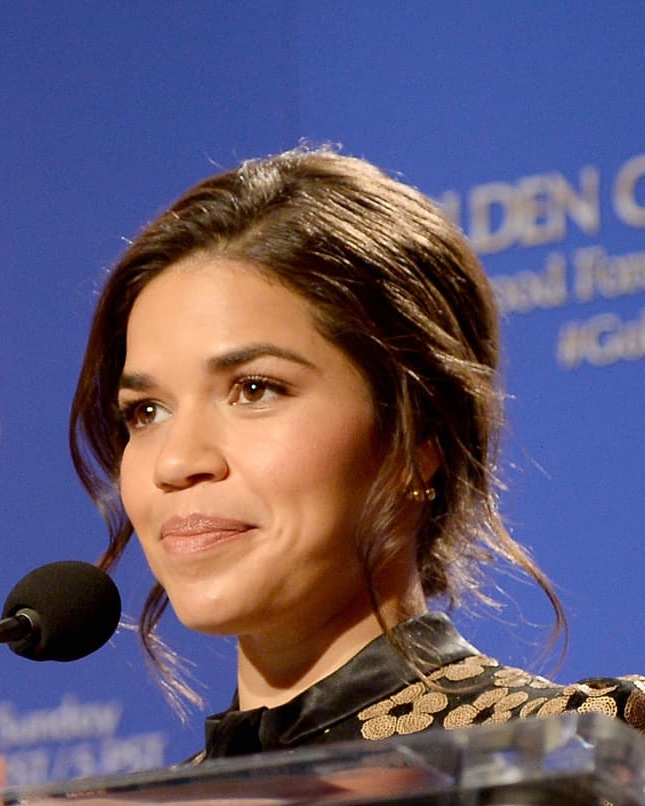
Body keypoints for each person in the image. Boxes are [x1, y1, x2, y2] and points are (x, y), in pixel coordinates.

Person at [69, 146, 644, 758]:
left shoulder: (587, 754)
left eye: (255, 390)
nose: (176, 462)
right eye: (147, 412)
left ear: (419, 433)